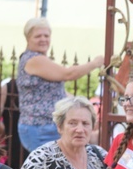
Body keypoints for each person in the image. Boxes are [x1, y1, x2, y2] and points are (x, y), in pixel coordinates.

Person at [17, 17, 104, 152]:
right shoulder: (34, 59)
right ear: (28, 38)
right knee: (49, 168)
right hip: (39, 127)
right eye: (38, 36)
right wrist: (94, 63)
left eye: (46, 35)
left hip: (46, 126)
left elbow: (56, 92)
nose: (43, 39)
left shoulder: (39, 59)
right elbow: (68, 74)